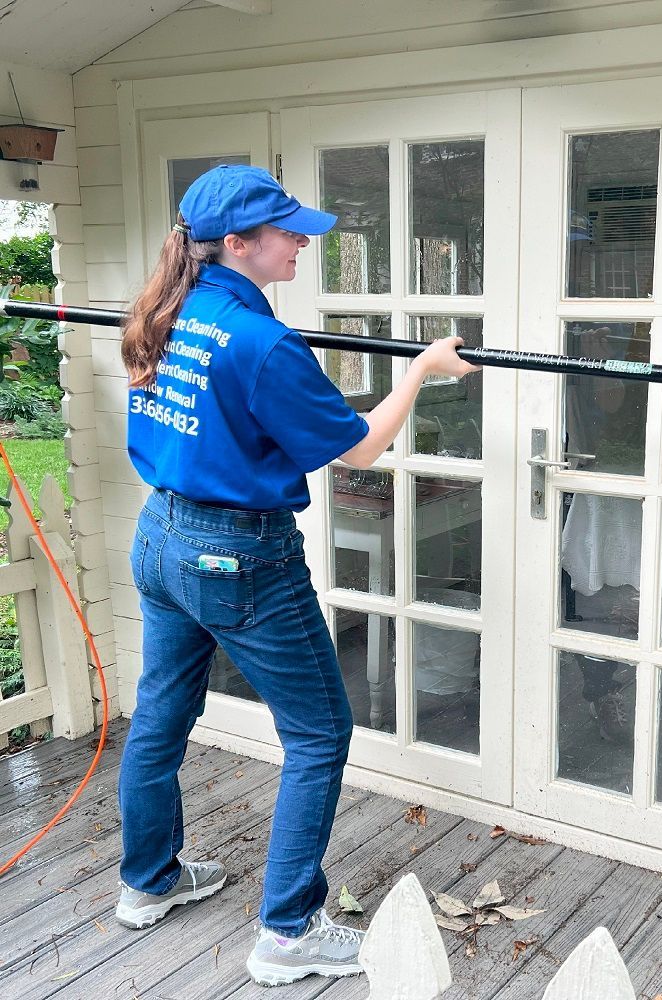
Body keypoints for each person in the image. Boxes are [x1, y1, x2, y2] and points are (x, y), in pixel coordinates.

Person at [117, 163, 479, 987]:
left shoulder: (167, 312)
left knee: (161, 712)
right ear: (237, 244)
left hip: (161, 537)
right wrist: (423, 368)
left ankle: (148, 882)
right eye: (288, 233)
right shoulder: (262, 342)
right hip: (238, 556)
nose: (303, 245)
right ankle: (287, 934)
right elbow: (361, 448)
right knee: (318, 733)